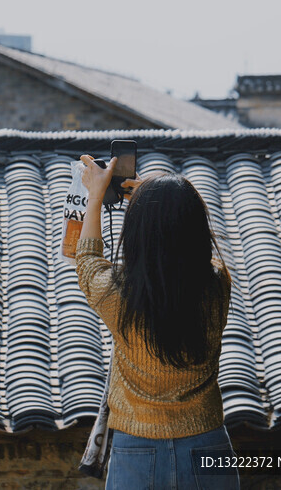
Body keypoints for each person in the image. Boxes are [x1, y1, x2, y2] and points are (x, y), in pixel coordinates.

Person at [76, 154, 239, 489]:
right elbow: (186, 238)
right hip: (207, 442)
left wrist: (97, 196)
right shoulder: (217, 284)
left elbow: (88, 261)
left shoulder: (118, 296)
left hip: (136, 446)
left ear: (138, 232)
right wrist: (162, 204)